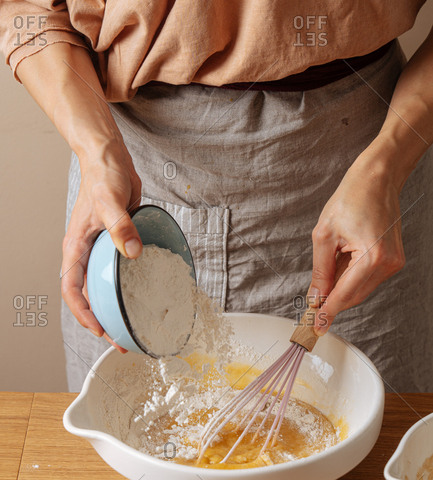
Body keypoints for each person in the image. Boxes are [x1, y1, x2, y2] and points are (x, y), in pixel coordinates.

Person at [1, 2, 432, 392]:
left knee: (366, 458)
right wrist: (97, 151)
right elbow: (29, 9)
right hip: (129, 169)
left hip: (359, 175)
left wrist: (386, 165)